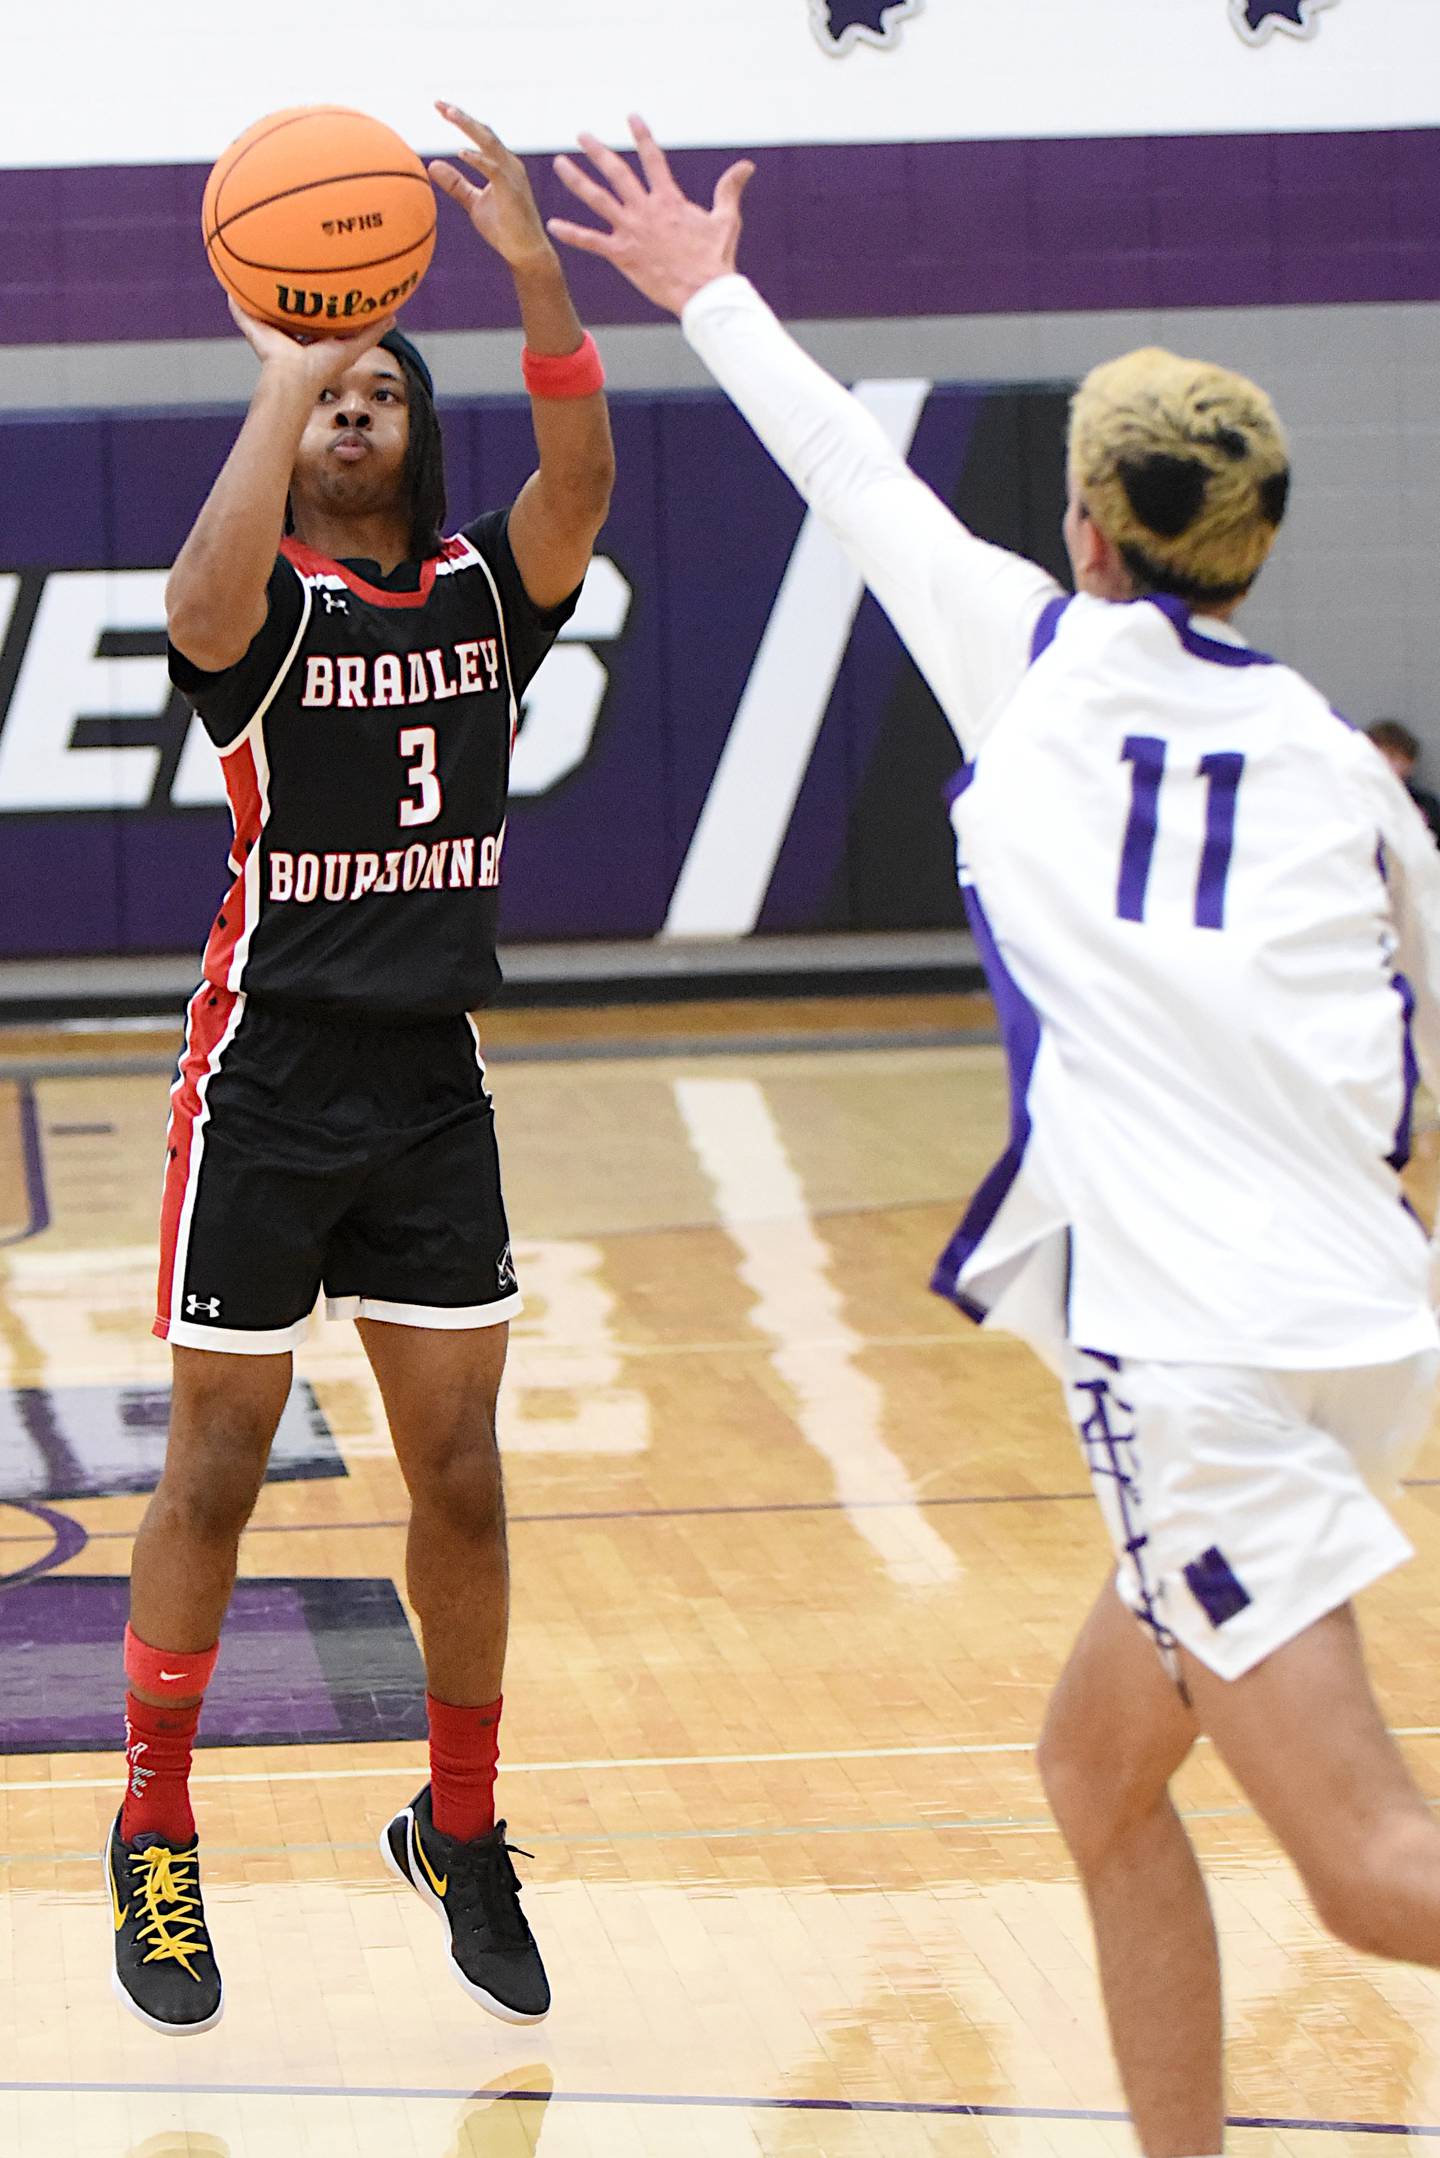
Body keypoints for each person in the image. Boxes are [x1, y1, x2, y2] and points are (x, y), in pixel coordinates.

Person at [550, 120, 1440, 2157]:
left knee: (1372, 1867)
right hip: (1365, 1325)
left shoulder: (1030, 662)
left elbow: (845, 472)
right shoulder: (1347, 770)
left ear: (1089, 532)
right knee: (1096, 1774)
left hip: (1199, 1358)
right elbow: (1419, 1067)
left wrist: (702, 282)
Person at [107, 103, 613, 2037]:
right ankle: (154, 1817)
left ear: (419, 428)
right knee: (217, 1469)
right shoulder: (265, 613)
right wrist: (284, 363)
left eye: (381, 386)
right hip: (265, 1082)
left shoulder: (486, 594)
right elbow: (193, 604)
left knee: (464, 1477)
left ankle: (460, 1822)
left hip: (426, 1090)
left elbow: (583, 474)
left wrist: (535, 274)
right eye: (332, 389)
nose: (352, 405)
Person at [1368, 719, 1440, 844]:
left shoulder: (1425, 805)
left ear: (1409, 764)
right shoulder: (1348, 799)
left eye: (1393, 757)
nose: (1386, 764)